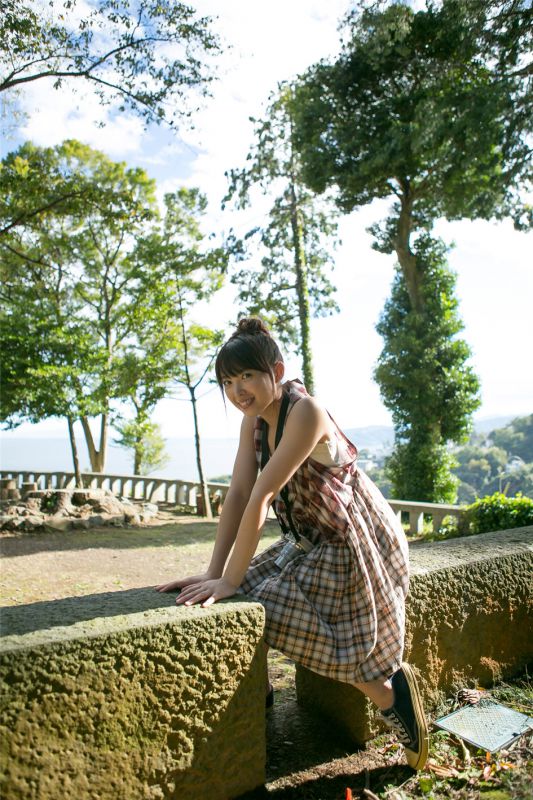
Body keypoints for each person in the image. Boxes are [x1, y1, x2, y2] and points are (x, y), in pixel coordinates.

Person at [157, 317, 429, 770]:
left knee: (336, 639)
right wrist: (214, 574)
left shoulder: (305, 411)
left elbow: (263, 496)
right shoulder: (254, 421)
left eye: (247, 375)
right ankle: (257, 709)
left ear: (277, 372)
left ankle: (392, 696)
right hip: (307, 536)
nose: (238, 389)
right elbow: (239, 493)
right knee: (242, 601)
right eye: (227, 380)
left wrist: (230, 579)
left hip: (352, 538)